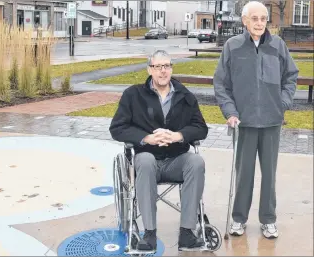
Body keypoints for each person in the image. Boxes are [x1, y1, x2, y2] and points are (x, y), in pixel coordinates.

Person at [213, 1, 299, 239]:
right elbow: (221, 83)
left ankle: (268, 220)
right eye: (255, 19)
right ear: (245, 21)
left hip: (271, 122)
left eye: (263, 18)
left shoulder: (278, 45)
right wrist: (230, 112)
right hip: (244, 122)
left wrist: (282, 104)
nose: (260, 23)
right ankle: (239, 219)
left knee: (269, 175)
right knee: (244, 175)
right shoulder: (233, 46)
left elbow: (291, 76)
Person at [110, 50, 208, 251]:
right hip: (147, 161)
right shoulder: (133, 95)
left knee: (196, 162)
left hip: (176, 160)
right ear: (149, 69)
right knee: (145, 161)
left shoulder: (185, 96)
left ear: (171, 68)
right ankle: (150, 233)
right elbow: (117, 128)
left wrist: (177, 135)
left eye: (167, 66)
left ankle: (187, 232)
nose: (163, 71)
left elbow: (201, 128)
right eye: (158, 67)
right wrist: (147, 138)